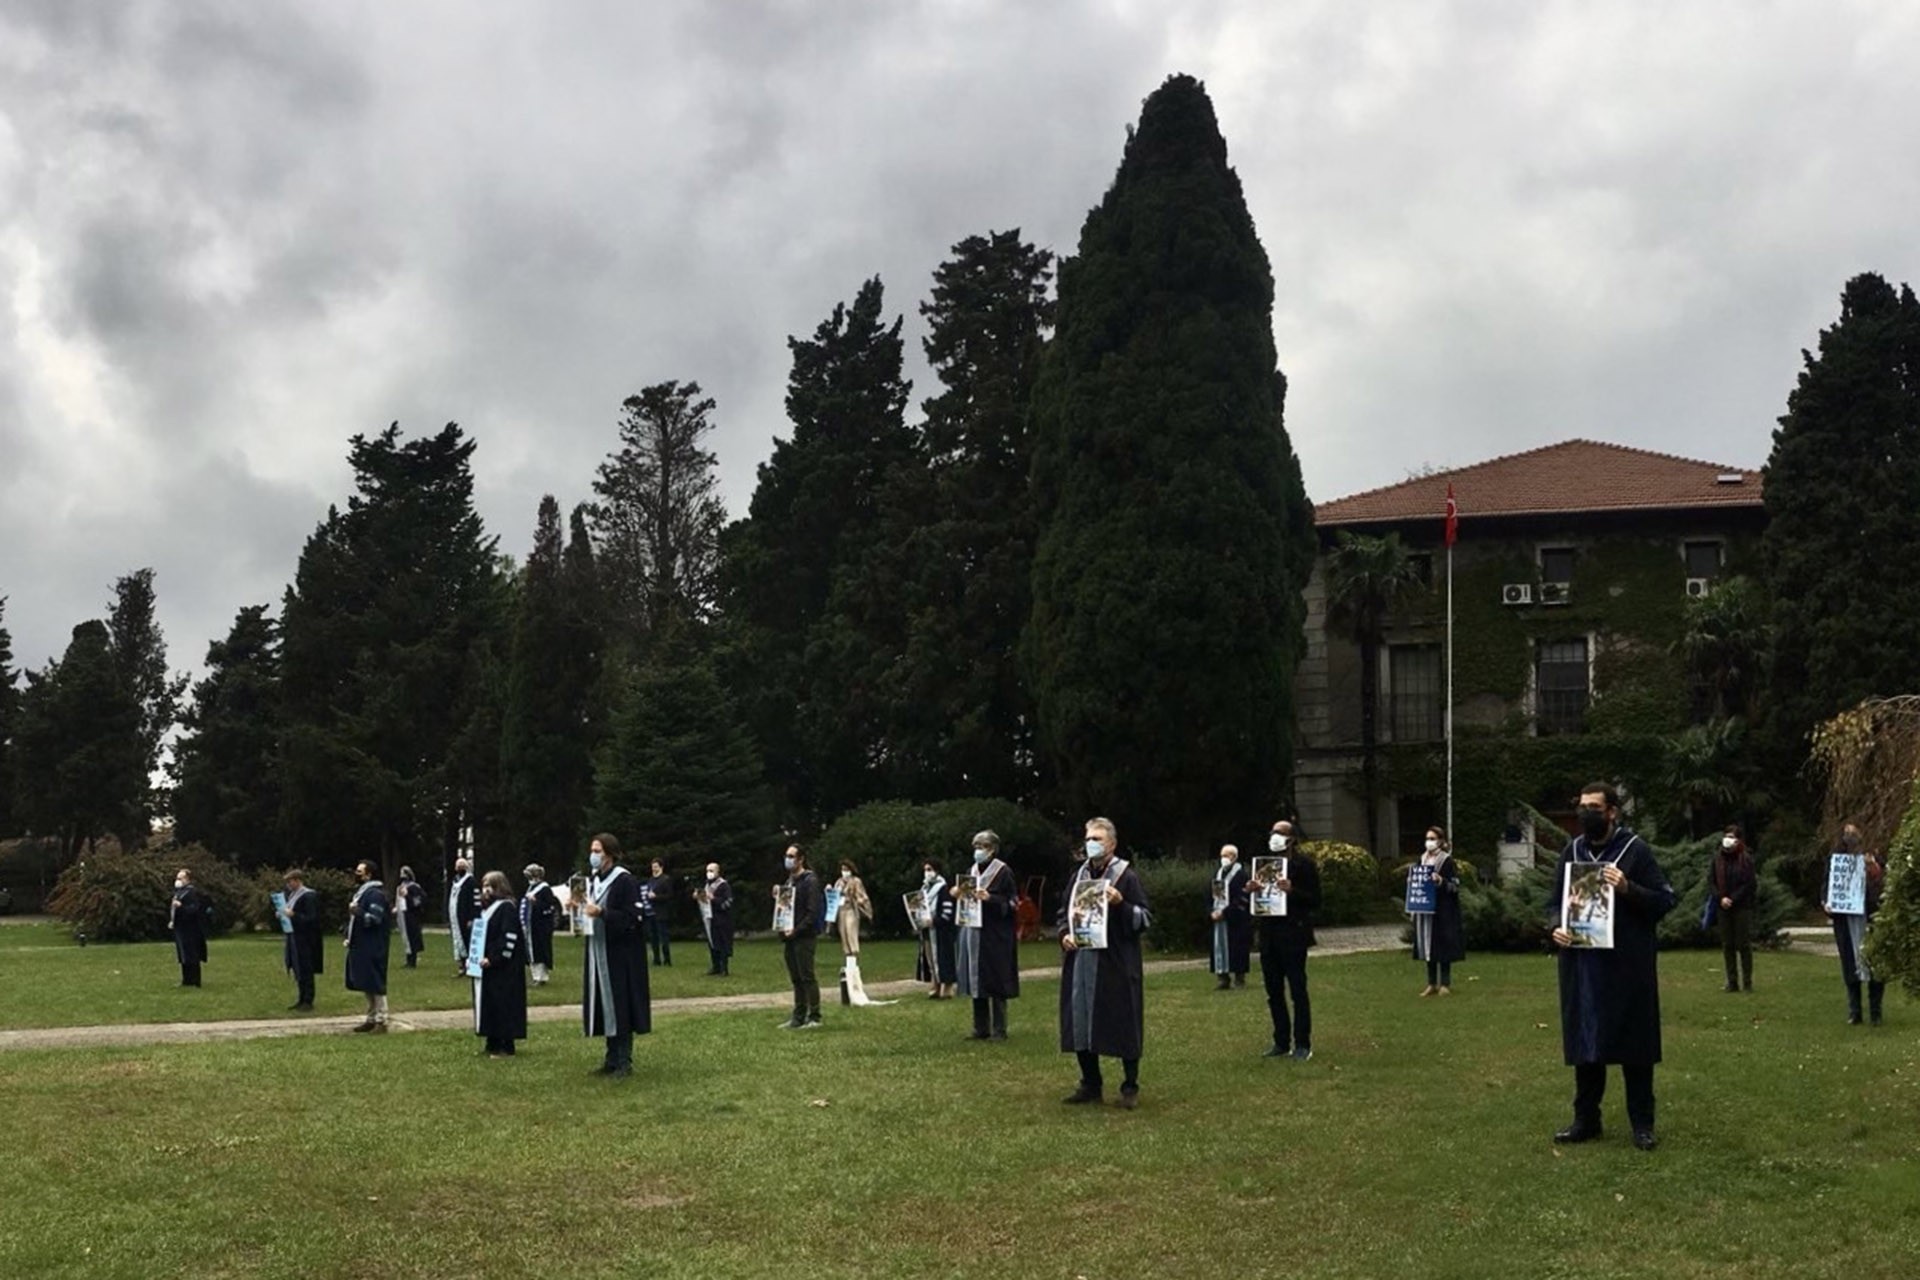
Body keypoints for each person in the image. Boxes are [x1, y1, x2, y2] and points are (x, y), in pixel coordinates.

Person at [1549, 783, 1675, 1151]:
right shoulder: (1572, 851)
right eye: (1582, 806)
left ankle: (1642, 1124)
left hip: (1626, 966)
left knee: (1635, 1047)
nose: (1586, 812)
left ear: (1612, 812)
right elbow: (1553, 901)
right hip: (1583, 966)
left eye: (1595, 807)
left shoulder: (1634, 851)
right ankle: (1586, 1120)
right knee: (1587, 1046)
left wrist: (1629, 889)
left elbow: (1665, 901)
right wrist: (1554, 926)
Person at [1059, 817, 1151, 1109]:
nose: (1092, 844)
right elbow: (1064, 912)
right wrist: (1064, 934)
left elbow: (1144, 919)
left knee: (1122, 1019)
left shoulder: (1126, 876)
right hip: (1081, 959)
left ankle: (1129, 1085)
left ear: (1111, 843)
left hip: (1116, 962)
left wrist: (1121, 904)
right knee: (1081, 1020)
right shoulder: (1079, 876)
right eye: (1089, 838)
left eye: (1098, 839)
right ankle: (1090, 1083)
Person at [581, 834, 650, 1076]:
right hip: (599, 950)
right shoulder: (593, 880)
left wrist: (602, 912)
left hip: (621, 954)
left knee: (621, 1004)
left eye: (598, 850)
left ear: (609, 853)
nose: (594, 855)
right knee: (605, 1005)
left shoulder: (624, 881)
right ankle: (611, 1057)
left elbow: (634, 918)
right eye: (592, 850)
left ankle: (624, 1060)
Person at [1257, 819, 1322, 1061]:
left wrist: (1292, 891)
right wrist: (1254, 892)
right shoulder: (1265, 865)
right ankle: (1280, 1041)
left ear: (1291, 838)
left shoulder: (1303, 865)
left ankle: (1303, 1043)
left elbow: (1315, 899)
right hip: (1270, 935)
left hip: (1293, 934)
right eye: (1272, 832)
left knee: (1297, 990)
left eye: (1280, 833)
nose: (1274, 836)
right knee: (1274, 992)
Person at [955, 830, 1020, 1040]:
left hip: (995, 934)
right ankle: (980, 1027)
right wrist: (958, 893)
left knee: (995, 979)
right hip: (974, 930)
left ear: (992, 849)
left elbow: (1013, 903)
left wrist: (990, 898)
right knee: (977, 979)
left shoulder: (1003, 872)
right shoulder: (972, 870)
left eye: (982, 847)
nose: (978, 851)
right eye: (975, 847)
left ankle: (999, 1029)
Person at [1823, 823, 1887, 1026]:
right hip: (1846, 918)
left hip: (1871, 918)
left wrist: (1872, 870)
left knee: (1875, 964)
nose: (1850, 836)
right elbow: (1827, 883)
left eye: (1854, 832)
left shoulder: (1875, 855)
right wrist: (1826, 901)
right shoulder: (1836, 857)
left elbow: (1884, 885)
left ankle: (1875, 1012)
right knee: (1850, 965)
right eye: (1847, 832)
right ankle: (1855, 1011)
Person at [473, 871, 529, 1057]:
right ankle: (492, 1041)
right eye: (484, 885)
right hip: (486, 965)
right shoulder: (485, 909)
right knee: (490, 1004)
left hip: (505, 968)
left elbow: (509, 937)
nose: (486, 890)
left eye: (491, 885)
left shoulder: (507, 907)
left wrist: (495, 958)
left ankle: (506, 1045)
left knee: (504, 1004)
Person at [1412, 827, 1465, 996]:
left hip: (1443, 910)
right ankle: (1431, 983)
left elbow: (1455, 886)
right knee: (1429, 946)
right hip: (1426, 910)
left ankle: (1445, 983)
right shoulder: (1422, 860)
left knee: (1443, 945)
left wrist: (1441, 881)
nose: (1429, 842)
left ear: (1441, 841)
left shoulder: (1447, 861)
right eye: (1427, 838)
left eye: (1433, 838)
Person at [778, 845, 824, 1028]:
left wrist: (796, 929)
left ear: (800, 859)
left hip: (804, 936)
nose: (788, 859)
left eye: (791, 856)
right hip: (789, 936)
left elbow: (812, 912)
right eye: (786, 855)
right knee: (796, 977)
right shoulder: (790, 881)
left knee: (807, 976)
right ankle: (798, 1015)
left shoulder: (810, 880)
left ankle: (815, 1015)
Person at [344, 860, 393, 1034]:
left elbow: (374, 919)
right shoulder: (361, 893)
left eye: (359, 871)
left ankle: (382, 1020)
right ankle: (371, 1018)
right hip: (361, 945)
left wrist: (357, 912)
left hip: (373, 946)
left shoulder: (375, 894)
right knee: (366, 983)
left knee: (376, 983)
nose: (356, 875)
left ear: (369, 874)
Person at [1711, 826, 1757, 993]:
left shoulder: (1745, 859)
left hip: (1742, 907)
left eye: (1731, 837)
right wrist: (1720, 898)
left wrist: (1733, 898)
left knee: (1743, 944)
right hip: (1723, 907)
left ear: (1738, 840)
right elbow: (1712, 882)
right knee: (1727, 944)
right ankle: (1732, 981)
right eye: (1726, 836)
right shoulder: (1717, 859)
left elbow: (1749, 883)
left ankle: (1747, 981)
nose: (1727, 839)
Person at [1209, 844, 1251, 990]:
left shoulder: (1241, 875)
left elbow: (1242, 897)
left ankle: (1239, 978)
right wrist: (1213, 911)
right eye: (1222, 856)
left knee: (1237, 947)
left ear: (1234, 857)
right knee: (1219, 946)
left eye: (1227, 855)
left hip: (1237, 917)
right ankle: (1222, 977)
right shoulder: (1218, 873)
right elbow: (1215, 895)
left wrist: (1226, 912)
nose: (1224, 859)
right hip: (1219, 917)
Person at [280, 869, 323, 1011]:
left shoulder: (309, 896)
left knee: (306, 968)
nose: (288, 885)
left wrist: (293, 915)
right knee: (297, 968)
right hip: (294, 936)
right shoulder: (292, 896)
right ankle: (301, 998)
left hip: (306, 939)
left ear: (297, 880)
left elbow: (312, 919)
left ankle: (308, 1000)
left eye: (290, 881)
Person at [917, 860, 958, 999]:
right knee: (931, 960)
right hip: (928, 931)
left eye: (929, 869)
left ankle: (947, 987)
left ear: (937, 871)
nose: (927, 872)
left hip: (942, 931)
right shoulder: (924, 889)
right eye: (925, 869)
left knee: (943, 959)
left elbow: (947, 912)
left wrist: (934, 921)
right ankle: (935, 984)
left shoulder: (943, 888)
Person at [169, 867, 211, 988]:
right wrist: (173, 920)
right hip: (180, 927)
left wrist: (181, 906)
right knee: (183, 954)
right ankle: (186, 980)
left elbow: (194, 909)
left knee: (192, 954)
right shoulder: (179, 892)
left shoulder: (192, 893)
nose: (177, 880)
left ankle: (196, 981)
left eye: (180, 878)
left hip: (191, 929)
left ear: (187, 879)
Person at [521, 863, 559, 987]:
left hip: (540, 927)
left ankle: (541, 977)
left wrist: (536, 902)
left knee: (540, 951)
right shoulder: (530, 888)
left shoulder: (544, 889)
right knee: (532, 952)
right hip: (530, 927)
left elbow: (549, 907)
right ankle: (535, 976)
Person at [697, 862, 734, 977]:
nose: (709, 873)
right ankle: (715, 966)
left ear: (718, 872)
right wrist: (699, 896)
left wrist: (714, 899)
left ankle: (724, 968)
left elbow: (728, 902)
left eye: (712, 871)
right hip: (709, 917)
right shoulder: (707, 885)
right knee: (713, 943)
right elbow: (704, 900)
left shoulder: (723, 885)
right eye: (708, 870)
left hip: (722, 919)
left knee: (722, 943)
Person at [832, 859, 874, 957]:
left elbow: (863, 896)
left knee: (850, 931)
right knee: (843, 933)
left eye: (846, 869)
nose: (844, 872)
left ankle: (854, 954)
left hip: (851, 910)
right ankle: (847, 957)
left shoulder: (856, 881)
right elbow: (834, 896)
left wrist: (858, 900)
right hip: (841, 910)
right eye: (842, 869)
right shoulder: (838, 882)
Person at [448, 858, 480, 978]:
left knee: (468, 941)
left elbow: (475, 902)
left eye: (462, 866)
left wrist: (473, 918)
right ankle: (461, 966)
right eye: (458, 866)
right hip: (455, 918)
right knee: (458, 942)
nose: (459, 868)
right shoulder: (455, 881)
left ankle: (471, 966)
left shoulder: (471, 881)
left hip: (466, 918)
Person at [644, 859, 676, 967]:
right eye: (653, 866)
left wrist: (656, 897)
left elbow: (670, 895)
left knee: (663, 936)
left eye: (656, 866)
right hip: (650, 912)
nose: (654, 869)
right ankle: (656, 959)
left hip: (661, 912)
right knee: (653, 937)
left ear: (661, 867)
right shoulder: (651, 880)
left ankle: (667, 959)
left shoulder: (665, 879)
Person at [395, 866, 426, 969]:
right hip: (402, 915)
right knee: (405, 937)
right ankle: (408, 959)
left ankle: (412, 960)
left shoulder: (414, 887)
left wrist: (408, 896)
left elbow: (418, 901)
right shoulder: (401, 887)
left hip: (411, 915)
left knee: (412, 936)